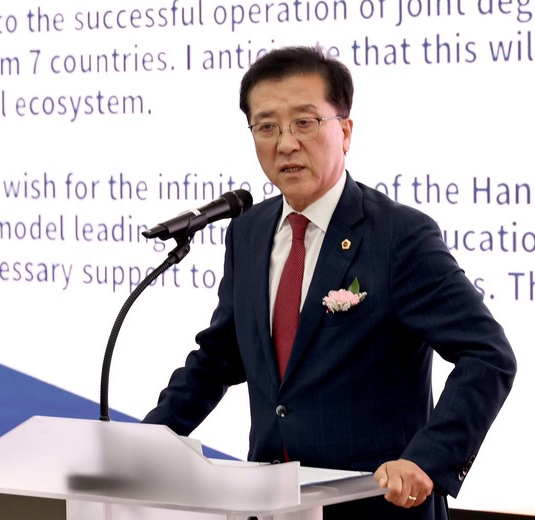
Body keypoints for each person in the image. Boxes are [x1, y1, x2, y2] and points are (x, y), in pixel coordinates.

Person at [143, 45, 516, 519]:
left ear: (345, 131)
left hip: (375, 506)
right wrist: (145, 443)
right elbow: (219, 359)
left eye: (304, 122)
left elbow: (487, 355)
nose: (286, 143)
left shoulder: (398, 235)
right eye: (266, 126)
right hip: (273, 506)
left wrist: (427, 458)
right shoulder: (248, 232)